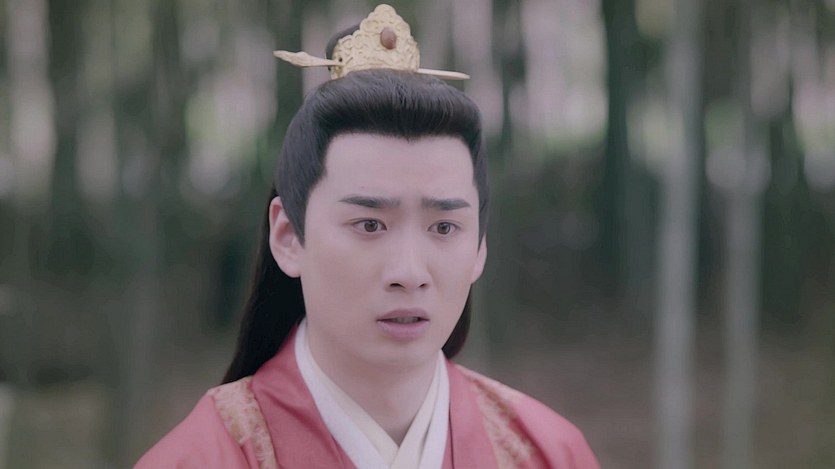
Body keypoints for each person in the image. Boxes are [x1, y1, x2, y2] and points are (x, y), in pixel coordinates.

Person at [136, 5, 599, 468]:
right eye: (369, 225)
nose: (409, 273)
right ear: (288, 236)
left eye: (444, 227)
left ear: (479, 247)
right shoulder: (199, 458)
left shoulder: (549, 453)